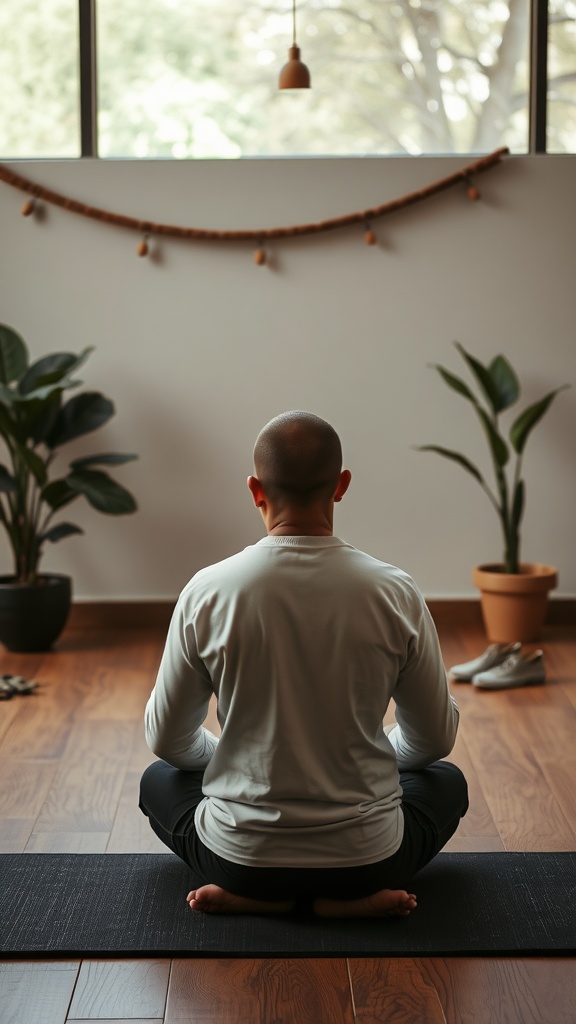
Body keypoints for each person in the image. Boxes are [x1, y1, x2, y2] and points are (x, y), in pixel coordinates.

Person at [140, 411, 467, 918]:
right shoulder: (394, 592)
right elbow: (432, 740)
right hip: (369, 861)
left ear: (255, 490)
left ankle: (264, 899)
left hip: (239, 860)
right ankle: (335, 904)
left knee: (158, 780)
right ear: (341, 485)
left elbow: (169, 741)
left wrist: (241, 763)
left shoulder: (206, 590)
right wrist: (368, 756)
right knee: (446, 781)